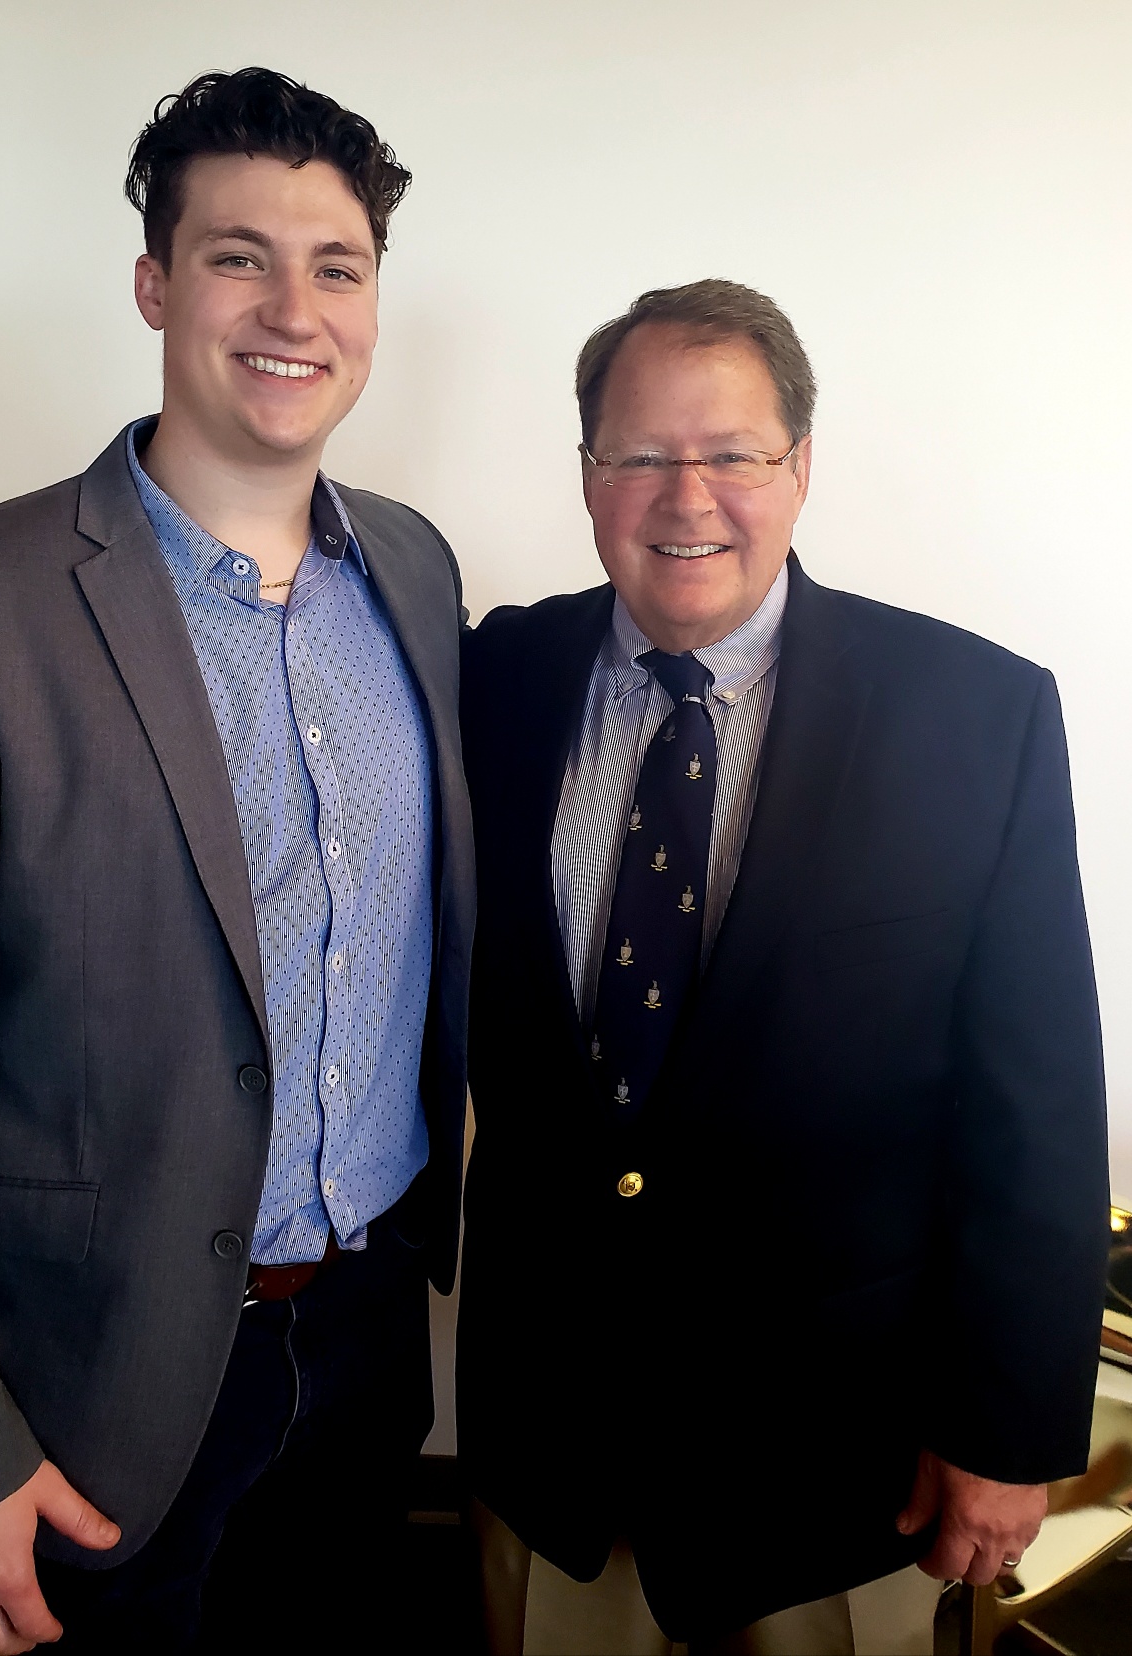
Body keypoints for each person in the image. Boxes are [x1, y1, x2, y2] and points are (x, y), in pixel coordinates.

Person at [0, 67, 473, 1656]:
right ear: (157, 283)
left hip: (370, 1339)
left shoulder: (416, 567)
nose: (293, 308)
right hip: (84, 1385)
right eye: (239, 257)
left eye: (337, 266)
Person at [456, 279, 1107, 1655]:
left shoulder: (974, 715)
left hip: (836, 1469)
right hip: (556, 1451)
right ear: (589, 475)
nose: (686, 497)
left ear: (800, 466)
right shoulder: (490, 679)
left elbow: (1039, 1107)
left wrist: (1008, 1428)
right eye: (641, 453)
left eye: (733, 454)